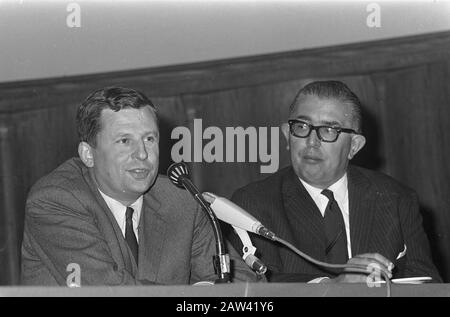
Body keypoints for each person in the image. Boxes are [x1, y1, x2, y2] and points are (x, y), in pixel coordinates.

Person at [21, 87, 262, 286]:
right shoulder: (54, 201)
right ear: (88, 154)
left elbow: (238, 281)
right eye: (124, 141)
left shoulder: (182, 200)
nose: (142, 154)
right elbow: (109, 291)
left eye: (149, 139)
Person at [227, 80, 441, 283]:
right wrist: (334, 286)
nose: (311, 142)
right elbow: (256, 286)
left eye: (329, 130)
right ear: (287, 135)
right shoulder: (252, 203)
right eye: (301, 127)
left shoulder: (396, 199)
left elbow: (427, 283)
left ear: (354, 146)